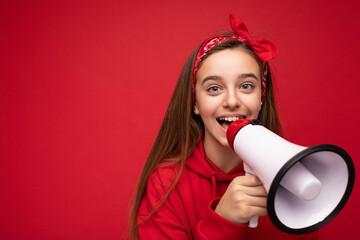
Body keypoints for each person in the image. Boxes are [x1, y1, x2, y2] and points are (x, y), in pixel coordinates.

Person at [129, 14, 318, 239]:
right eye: (214, 88)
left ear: (261, 98)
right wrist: (223, 222)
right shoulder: (166, 185)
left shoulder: (294, 177)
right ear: (195, 102)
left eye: (246, 86)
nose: (231, 101)